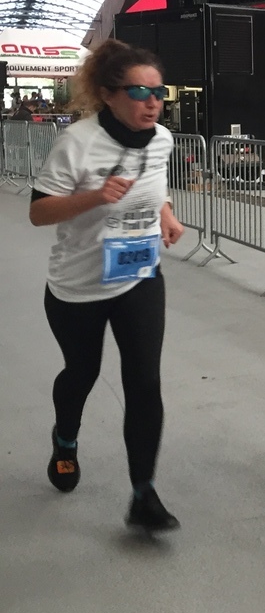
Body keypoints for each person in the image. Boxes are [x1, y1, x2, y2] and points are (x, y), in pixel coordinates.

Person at [28, 39, 185, 531]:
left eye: (159, 92)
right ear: (108, 95)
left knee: (145, 382)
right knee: (83, 372)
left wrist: (165, 213)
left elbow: (152, 186)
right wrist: (95, 197)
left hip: (139, 275)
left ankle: (143, 494)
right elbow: (38, 212)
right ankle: (65, 439)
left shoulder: (162, 140)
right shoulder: (76, 142)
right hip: (79, 284)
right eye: (139, 91)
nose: (152, 102)